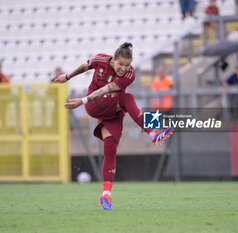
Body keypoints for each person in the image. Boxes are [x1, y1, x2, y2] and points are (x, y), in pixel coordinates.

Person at [53, 42, 173, 210]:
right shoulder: (100, 59)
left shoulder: (130, 75)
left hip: (112, 112)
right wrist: (68, 77)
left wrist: (81, 100)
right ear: (113, 60)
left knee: (110, 150)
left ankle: (106, 195)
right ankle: (153, 132)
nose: (124, 68)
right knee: (129, 98)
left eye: (127, 65)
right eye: (120, 64)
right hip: (94, 105)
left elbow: (109, 89)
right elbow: (87, 69)